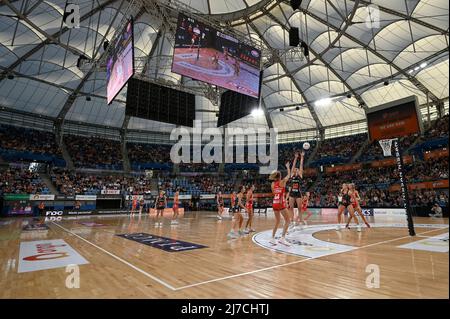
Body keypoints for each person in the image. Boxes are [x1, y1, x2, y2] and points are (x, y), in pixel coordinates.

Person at [269, 162, 291, 246]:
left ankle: (272, 238)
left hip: (274, 202)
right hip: (281, 203)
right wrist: (288, 167)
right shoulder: (282, 182)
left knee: (277, 221)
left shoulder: (272, 184)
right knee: (287, 220)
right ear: (280, 176)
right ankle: (282, 238)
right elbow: (289, 175)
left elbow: (274, 193)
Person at [288, 151, 305, 230]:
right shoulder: (292, 175)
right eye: (295, 169)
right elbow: (293, 166)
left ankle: (301, 222)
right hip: (291, 194)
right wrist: (295, 157)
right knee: (290, 208)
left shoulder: (300, 175)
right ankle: (291, 222)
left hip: (298, 194)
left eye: (297, 169)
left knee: (299, 208)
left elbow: (301, 165)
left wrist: (301, 157)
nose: (296, 169)